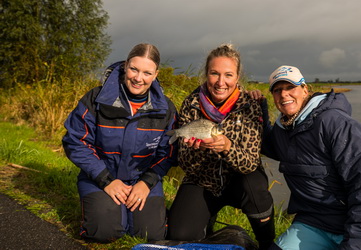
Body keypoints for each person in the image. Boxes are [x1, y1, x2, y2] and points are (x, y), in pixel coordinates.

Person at [255, 65, 361, 249]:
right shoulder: (284, 129)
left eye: (290, 87)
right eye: (277, 90)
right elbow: (268, 145)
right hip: (315, 223)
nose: (284, 94)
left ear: (305, 89)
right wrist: (259, 110)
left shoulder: (337, 124)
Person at [62, 43, 177, 242]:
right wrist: (106, 180)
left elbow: (168, 152)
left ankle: (136, 210)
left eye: (147, 73)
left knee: (150, 235)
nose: (138, 78)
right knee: (104, 231)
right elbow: (75, 141)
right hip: (101, 176)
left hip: (141, 179)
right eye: (134, 69)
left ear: (156, 74)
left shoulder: (166, 108)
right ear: (125, 65)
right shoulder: (96, 98)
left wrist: (146, 183)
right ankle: (107, 211)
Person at [166, 44, 275, 249]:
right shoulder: (191, 103)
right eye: (214, 73)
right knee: (180, 234)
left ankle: (266, 242)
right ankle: (218, 231)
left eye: (228, 75)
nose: (220, 82)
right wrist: (195, 151)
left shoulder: (250, 105)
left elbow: (250, 163)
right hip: (202, 180)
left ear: (237, 77)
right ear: (206, 74)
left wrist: (227, 148)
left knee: (255, 188)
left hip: (239, 180)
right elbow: (184, 163)